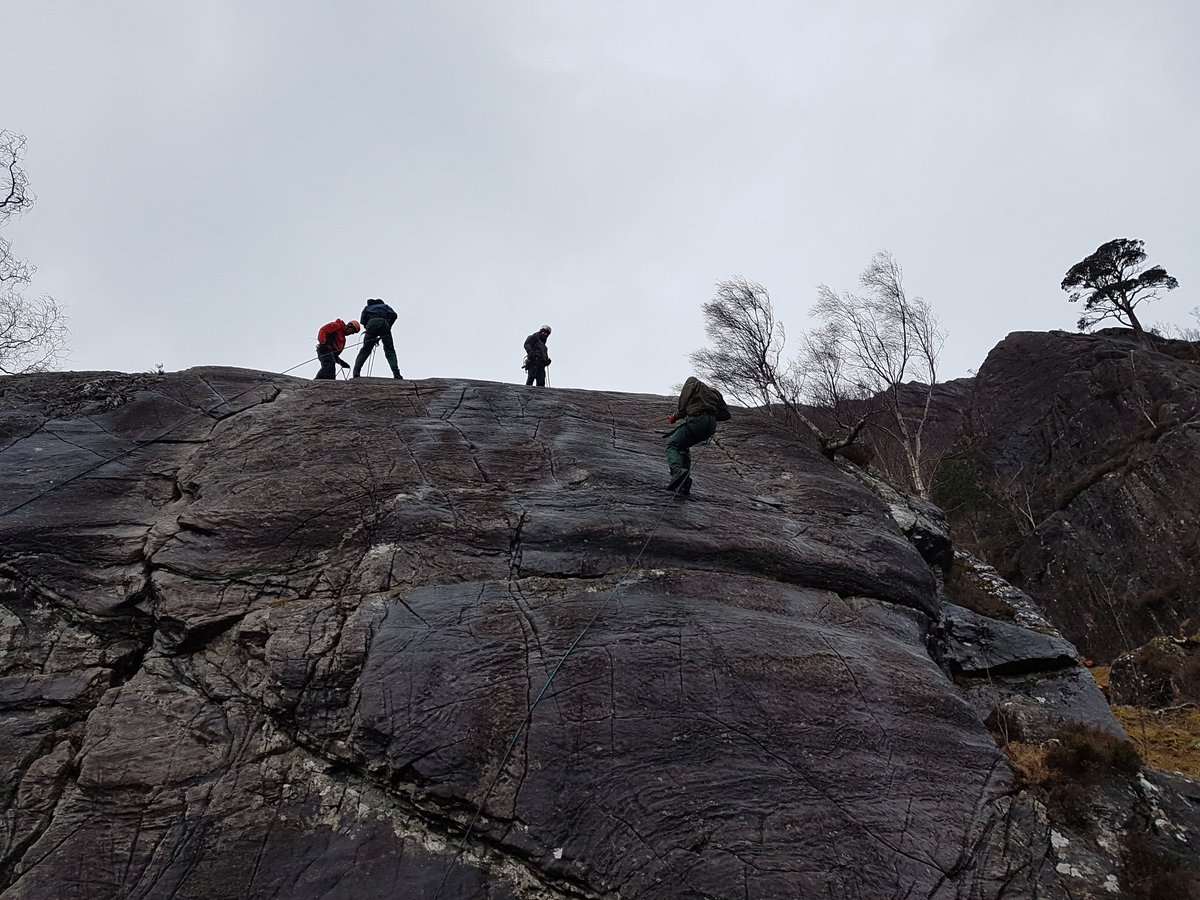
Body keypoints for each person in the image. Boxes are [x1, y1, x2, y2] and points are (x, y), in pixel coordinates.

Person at [665, 376, 731, 497]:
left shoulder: (691, 385)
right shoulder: (714, 392)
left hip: (697, 421)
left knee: (672, 445)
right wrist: (710, 415)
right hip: (711, 425)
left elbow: (683, 407)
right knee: (683, 447)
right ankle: (684, 483)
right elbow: (726, 414)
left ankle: (677, 471)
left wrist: (675, 417)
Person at [352, 298, 403, 379]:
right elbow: (394, 315)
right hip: (384, 323)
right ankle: (396, 373)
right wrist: (389, 326)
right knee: (389, 350)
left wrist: (371, 334)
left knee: (366, 349)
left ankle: (356, 371)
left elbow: (363, 322)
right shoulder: (385, 306)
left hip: (372, 323)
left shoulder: (367, 308)